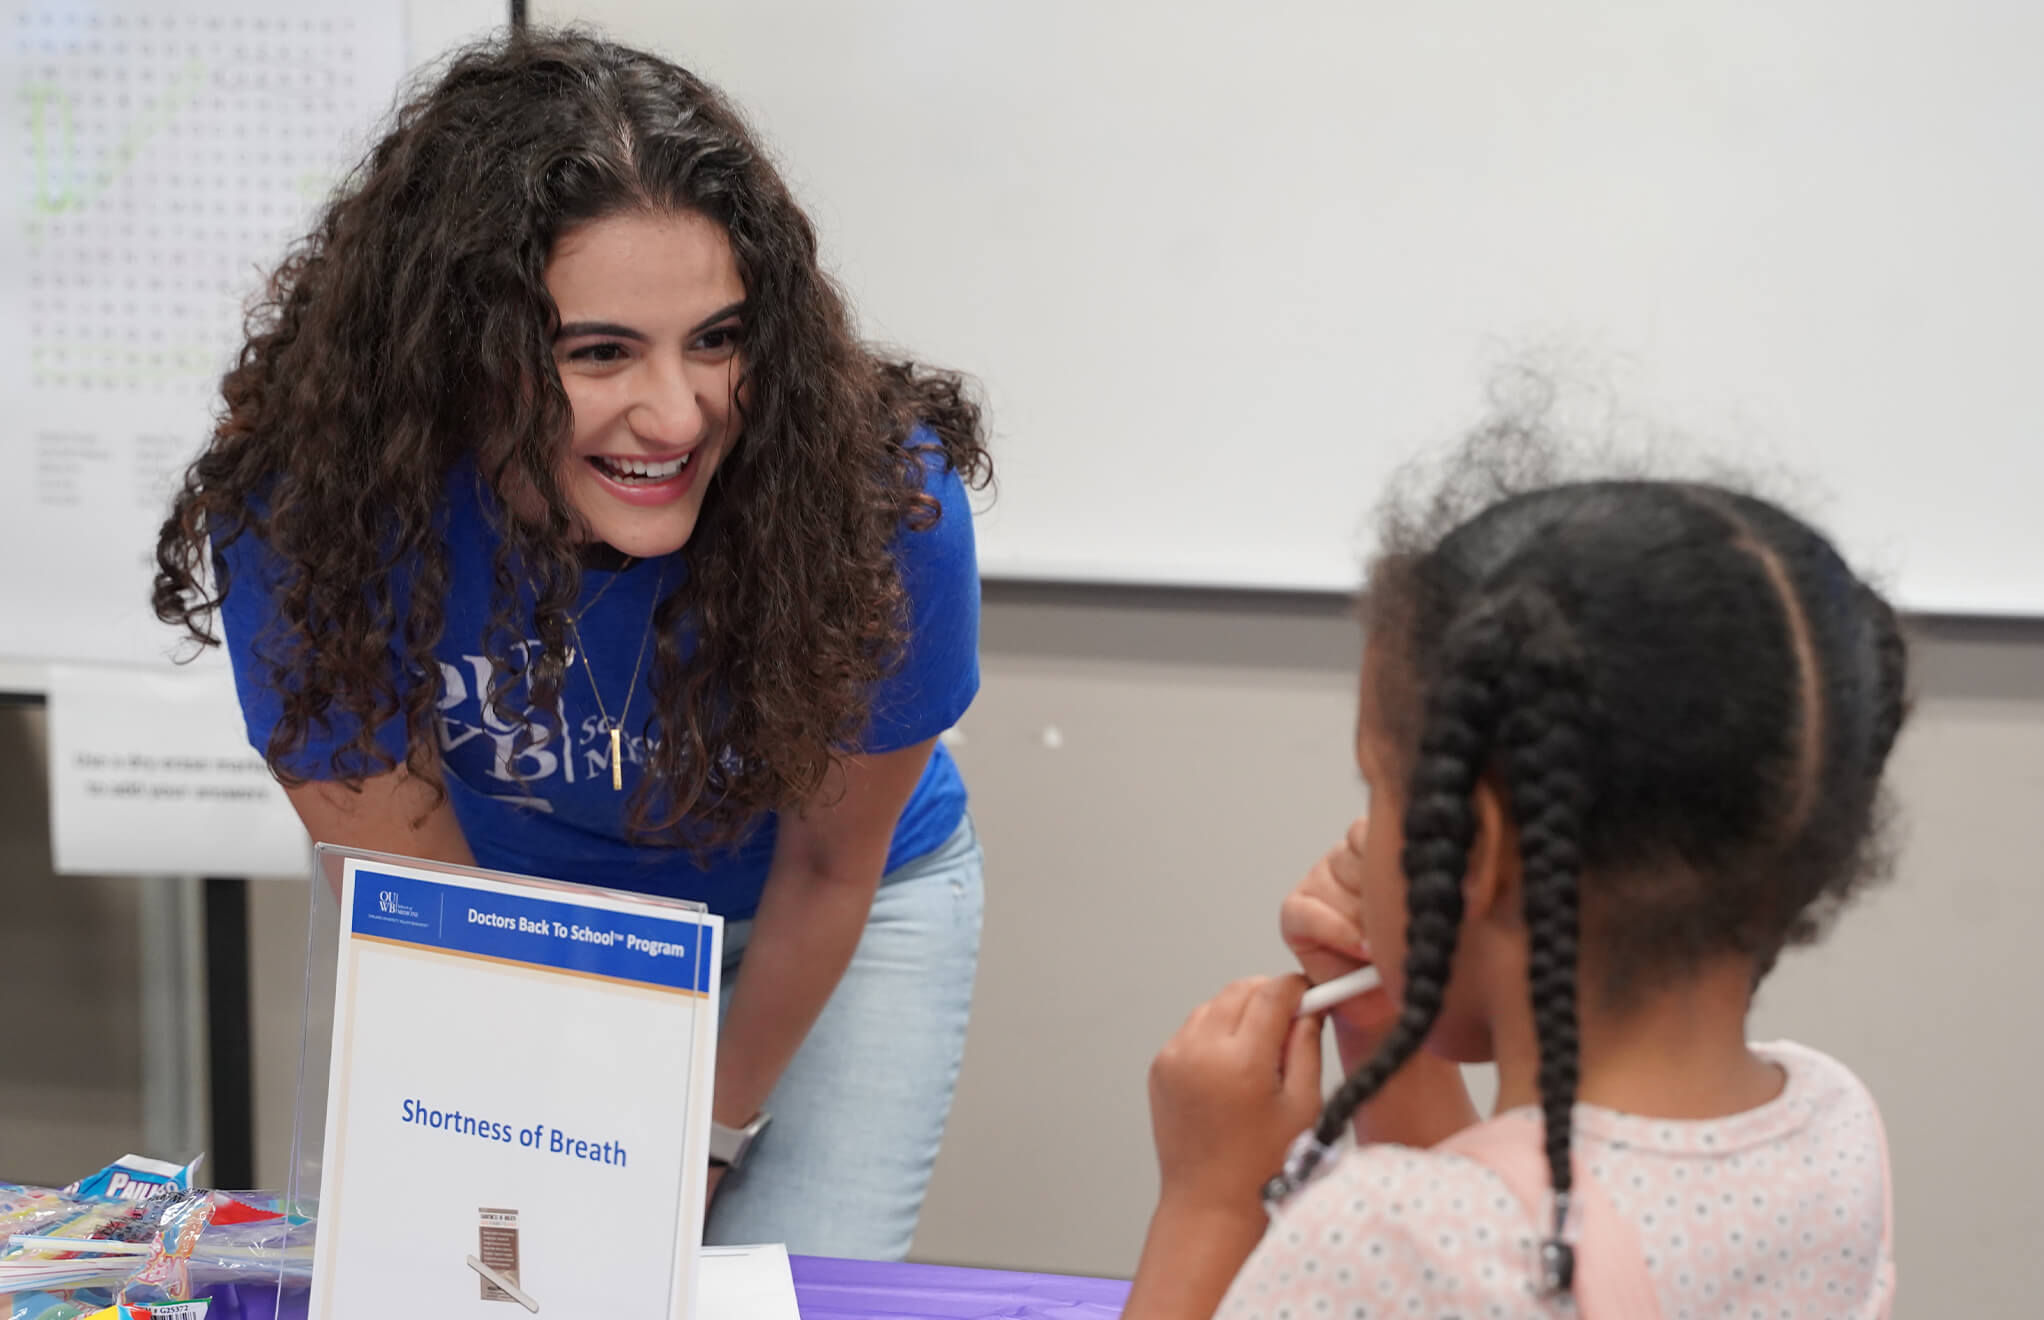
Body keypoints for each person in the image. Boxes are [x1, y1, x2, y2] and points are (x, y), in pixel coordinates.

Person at [151, 30, 991, 1260]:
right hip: (516, 923)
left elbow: (828, 869)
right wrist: (568, 1173)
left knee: (783, 1287)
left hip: (821, 917)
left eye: (718, 338)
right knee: (518, 1270)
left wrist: (696, 1145)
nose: (676, 413)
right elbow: (431, 908)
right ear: (456, 352)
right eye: (598, 353)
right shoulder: (311, 511)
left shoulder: (873, 500)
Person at [1123, 445, 1906, 1316]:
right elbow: (1529, 1235)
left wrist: (1212, 1201)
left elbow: (1467, 1254)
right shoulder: (1833, 1129)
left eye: (1378, 788)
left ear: (1475, 852)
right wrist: (1391, 1030)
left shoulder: (1375, 1244)